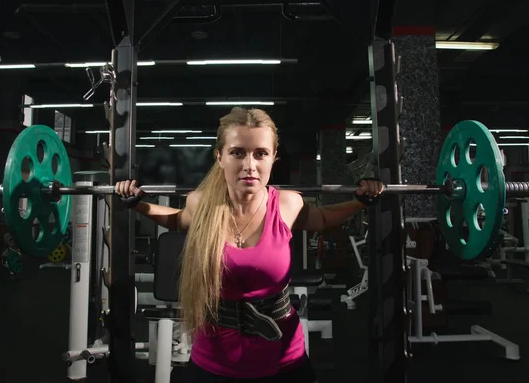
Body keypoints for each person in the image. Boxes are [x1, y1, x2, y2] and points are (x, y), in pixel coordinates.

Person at [115, 107, 383, 382]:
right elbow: (177, 221)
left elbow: (324, 218)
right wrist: (137, 204)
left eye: (260, 153)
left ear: (273, 157)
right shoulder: (201, 203)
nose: (249, 165)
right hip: (213, 359)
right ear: (220, 157)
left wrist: (362, 200)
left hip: (282, 358)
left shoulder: (288, 204)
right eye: (237, 152)